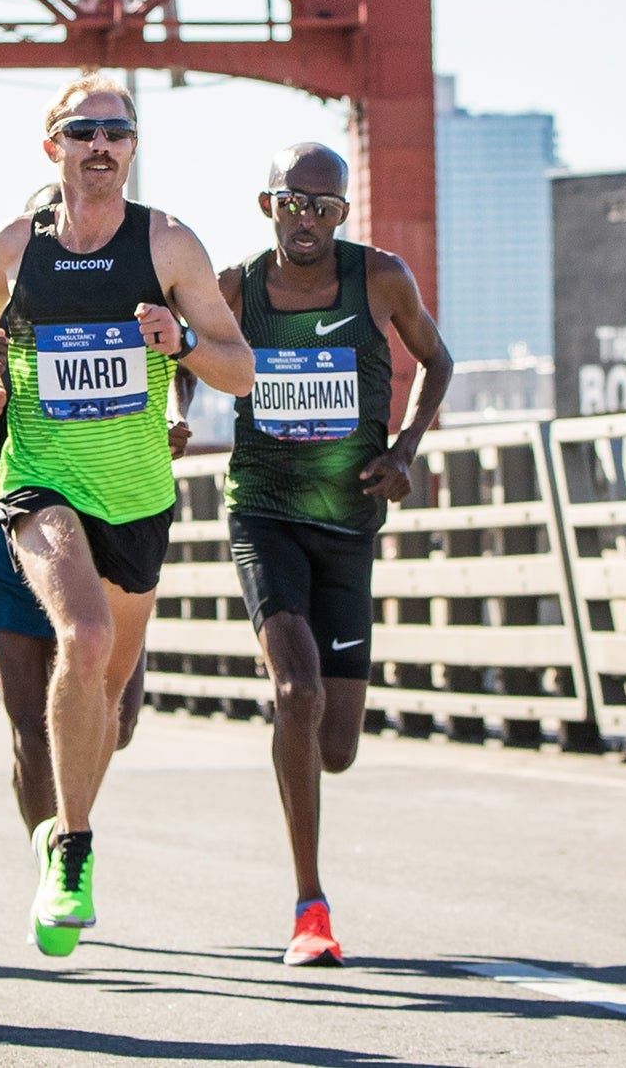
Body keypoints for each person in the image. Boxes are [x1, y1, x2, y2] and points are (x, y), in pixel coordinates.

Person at [0, 73, 254, 953]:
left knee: (111, 707)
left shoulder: (169, 244)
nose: (101, 145)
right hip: (40, 480)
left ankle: (66, 825)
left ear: (132, 147)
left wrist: (183, 342)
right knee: (82, 637)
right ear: (53, 145)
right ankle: (72, 851)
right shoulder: (18, 245)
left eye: (117, 132)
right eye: (83, 130)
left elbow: (240, 370)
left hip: (138, 498)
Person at [210, 140, 451, 966]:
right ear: (267, 204)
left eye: (325, 206)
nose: (307, 219)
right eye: (293, 202)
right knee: (298, 689)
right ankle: (309, 905)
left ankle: (297, 743)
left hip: (349, 523)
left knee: (336, 746)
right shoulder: (237, 287)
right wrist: (173, 408)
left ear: (343, 213)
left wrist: (406, 448)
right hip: (264, 513)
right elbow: (185, 356)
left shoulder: (380, 278)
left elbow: (438, 360)